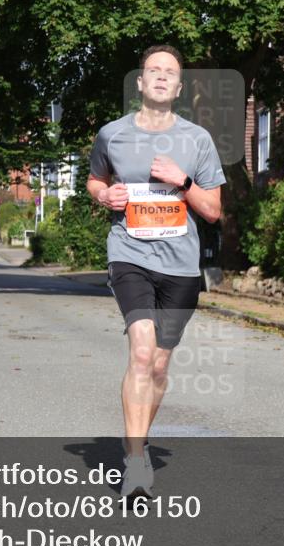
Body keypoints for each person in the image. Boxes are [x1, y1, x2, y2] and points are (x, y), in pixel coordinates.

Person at [87, 45, 225, 498]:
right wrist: (104, 197)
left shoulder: (197, 140)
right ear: (140, 83)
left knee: (160, 365)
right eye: (153, 71)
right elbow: (96, 178)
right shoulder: (112, 134)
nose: (162, 77)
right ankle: (134, 463)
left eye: (170, 73)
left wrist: (182, 182)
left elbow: (213, 212)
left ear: (179, 88)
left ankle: (139, 442)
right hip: (130, 254)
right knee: (142, 353)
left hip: (181, 265)